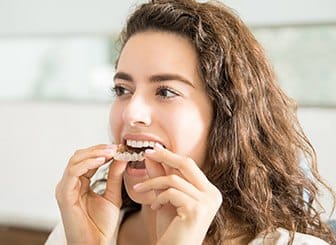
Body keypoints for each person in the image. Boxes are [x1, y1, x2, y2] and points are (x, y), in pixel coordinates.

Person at [46, 0, 336, 244]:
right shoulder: (77, 230)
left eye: (166, 92)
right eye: (123, 90)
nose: (131, 112)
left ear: (226, 115)